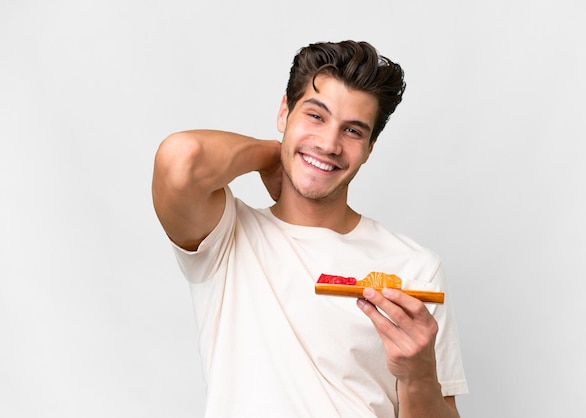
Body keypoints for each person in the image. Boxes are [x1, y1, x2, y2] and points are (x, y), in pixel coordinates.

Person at [152, 40, 468, 417]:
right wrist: (277, 154)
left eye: (352, 131)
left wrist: (417, 377)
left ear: (370, 147)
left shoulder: (416, 267)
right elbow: (181, 158)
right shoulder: (226, 238)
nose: (329, 143)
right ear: (284, 111)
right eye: (315, 117)